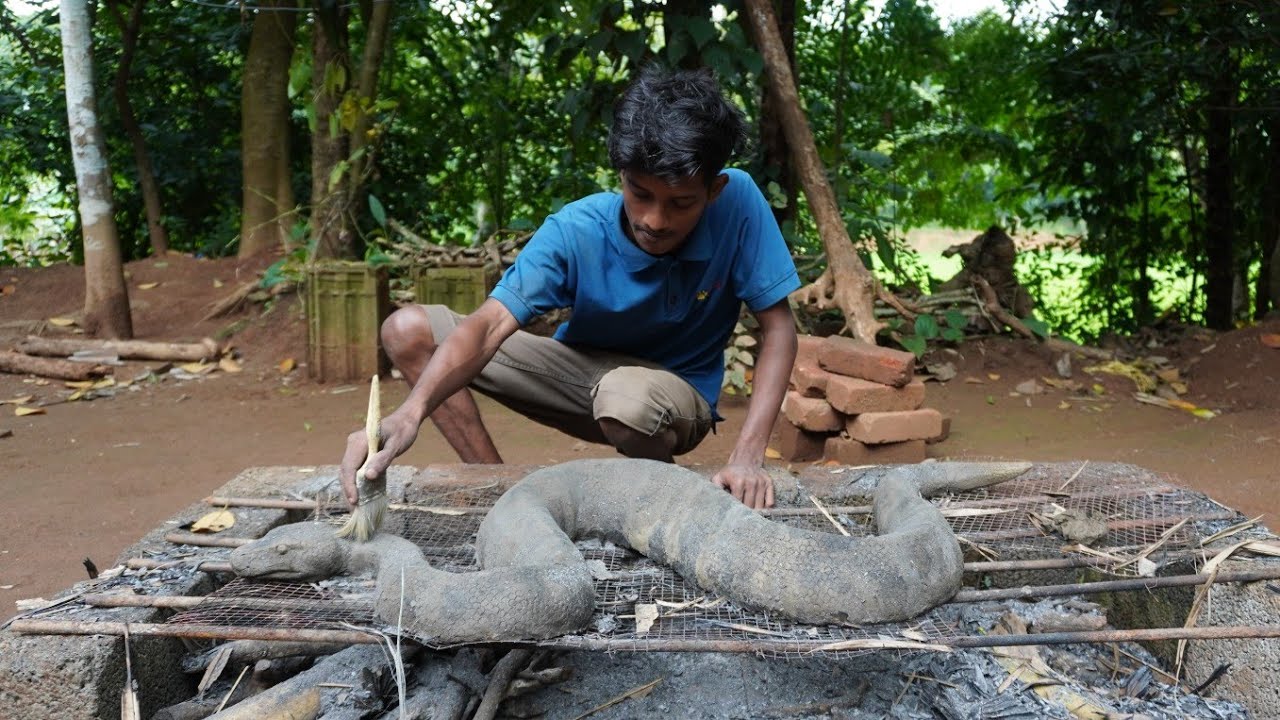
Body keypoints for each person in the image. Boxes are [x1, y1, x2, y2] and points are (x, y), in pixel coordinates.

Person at [340, 66, 800, 510]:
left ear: (714, 190)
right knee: (408, 329)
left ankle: (669, 501)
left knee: (626, 399)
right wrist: (409, 413)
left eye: (681, 203)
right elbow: (489, 325)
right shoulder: (577, 229)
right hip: (582, 379)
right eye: (640, 194)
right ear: (620, 175)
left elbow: (779, 328)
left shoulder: (738, 200)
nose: (655, 221)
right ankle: (500, 493)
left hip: (673, 397)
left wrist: (748, 456)